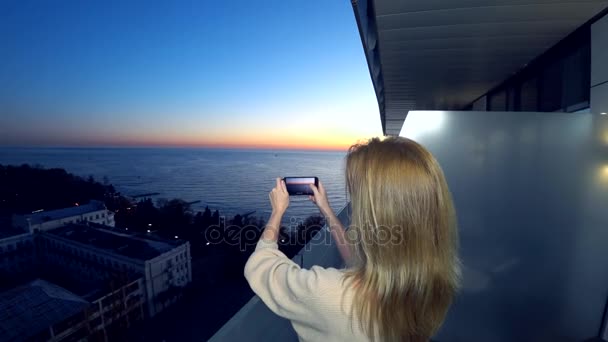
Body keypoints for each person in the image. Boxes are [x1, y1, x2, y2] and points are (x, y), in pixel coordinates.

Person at [244, 137, 461, 342]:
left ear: (377, 214)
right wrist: (326, 209)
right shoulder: (431, 283)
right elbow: (357, 258)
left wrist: (277, 212)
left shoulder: (331, 294)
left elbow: (261, 264)